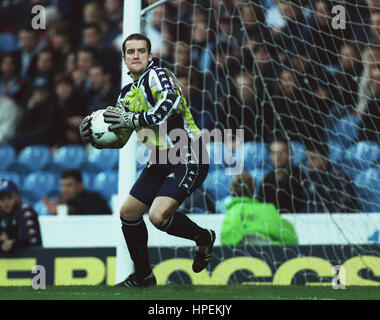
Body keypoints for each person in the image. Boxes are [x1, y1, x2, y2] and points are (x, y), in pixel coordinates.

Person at [79, 33, 215, 287]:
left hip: (188, 152)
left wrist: (134, 120)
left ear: (150, 55)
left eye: (141, 51)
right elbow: (121, 138)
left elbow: (171, 102)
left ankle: (204, 238)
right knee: (128, 212)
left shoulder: (158, 75)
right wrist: (97, 138)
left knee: (157, 217)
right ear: (124, 59)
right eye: (131, 52)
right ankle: (144, 276)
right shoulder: (125, 96)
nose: (136, 56)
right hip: (160, 158)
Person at [220, 172, 298, 246]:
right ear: (253, 190)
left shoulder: (235, 210)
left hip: (244, 252)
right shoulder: (268, 209)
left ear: (232, 190)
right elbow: (289, 236)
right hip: (269, 251)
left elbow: (228, 237)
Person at [257, 139, 308, 214]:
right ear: (270, 156)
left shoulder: (300, 176)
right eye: (274, 153)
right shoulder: (267, 179)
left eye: (281, 152)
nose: (278, 156)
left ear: (290, 154)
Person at [305, 143, 359, 213]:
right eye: (307, 159)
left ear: (325, 158)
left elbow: (344, 204)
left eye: (313, 158)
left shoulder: (339, 178)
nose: (309, 163)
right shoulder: (308, 179)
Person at [43, 169, 112, 216]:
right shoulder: (64, 202)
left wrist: (62, 211)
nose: (64, 190)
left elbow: (87, 219)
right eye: (62, 185)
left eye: (69, 185)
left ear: (80, 185)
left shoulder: (96, 201)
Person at [0, 179, 42, 253]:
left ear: (17, 196)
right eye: (2, 199)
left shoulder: (25, 211)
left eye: (9, 197)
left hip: (32, 258)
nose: (6, 202)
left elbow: (31, 241)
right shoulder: (2, 215)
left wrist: (12, 243)